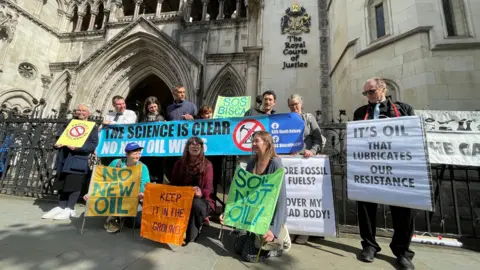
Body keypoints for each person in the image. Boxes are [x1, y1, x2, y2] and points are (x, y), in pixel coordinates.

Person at [354, 77, 415, 270]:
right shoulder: (360, 113)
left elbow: (412, 137)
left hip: (397, 169)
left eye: (371, 92)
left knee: (403, 210)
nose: (368, 96)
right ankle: (370, 246)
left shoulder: (403, 110)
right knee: (366, 208)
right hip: (369, 168)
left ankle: (402, 252)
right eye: (365, 93)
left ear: (383, 89)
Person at [221, 131, 287, 263]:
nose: (254, 143)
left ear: (267, 143)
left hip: (267, 216)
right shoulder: (252, 162)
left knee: (248, 256)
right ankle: (253, 238)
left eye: (257, 141)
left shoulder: (275, 164)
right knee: (238, 248)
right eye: (253, 141)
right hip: (252, 213)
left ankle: (275, 249)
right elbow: (244, 193)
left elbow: (281, 199)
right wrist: (229, 212)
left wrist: (273, 229)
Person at [42, 104, 98, 220]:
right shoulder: (69, 123)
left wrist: (77, 147)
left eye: (84, 110)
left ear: (89, 113)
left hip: (79, 159)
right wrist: (57, 144)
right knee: (62, 183)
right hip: (65, 157)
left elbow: (93, 145)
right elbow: (59, 137)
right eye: (79, 110)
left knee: (74, 184)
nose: (81, 112)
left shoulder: (92, 127)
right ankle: (61, 207)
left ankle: (70, 208)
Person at [85, 142, 150, 233]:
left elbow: (145, 184)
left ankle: (122, 217)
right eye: (135, 153)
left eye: (139, 153)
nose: (138, 156)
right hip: (114, 196)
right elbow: (103, 180)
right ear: (127, 154)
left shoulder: (143, 167)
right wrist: (91, 193)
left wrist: (141, 193)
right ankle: (113, 216)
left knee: (138, 223)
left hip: (132, 198)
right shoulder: (116, 163)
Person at [287, 93, 324, 244]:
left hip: (307, 160)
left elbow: (318, 138)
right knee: (293, 198)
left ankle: (305, 230)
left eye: (296, 104)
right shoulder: (287, 120)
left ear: (301, 104)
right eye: (291, 105)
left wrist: (313, 151)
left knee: (306, 197)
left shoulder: (308, 118)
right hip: (292, 162)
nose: (294, 107)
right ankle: (294, 229)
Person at [170, 137, 214, 245]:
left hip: (201, 200)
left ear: (201, 148)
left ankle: (195, 229)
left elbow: (208, 189)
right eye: (192, 144)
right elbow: (173, 184)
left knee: (194, 203)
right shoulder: (179, 164)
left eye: (198, 144)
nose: (195, 146)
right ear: (187, 147)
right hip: (181, 197)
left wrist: (200, 193)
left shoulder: (208, 165)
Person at [141, 96, 165, 183]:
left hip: (158, 149)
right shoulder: (143, 119)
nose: (153, 109)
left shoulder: (161, 117)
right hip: (147, 149)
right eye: (151, 107)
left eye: (155, 106)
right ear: (147, 108)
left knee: (158, 169)